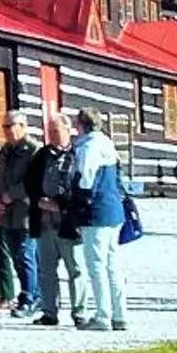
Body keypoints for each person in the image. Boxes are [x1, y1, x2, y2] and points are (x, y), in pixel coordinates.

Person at [70, 109, 130, 331]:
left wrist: (75, 204)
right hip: (113, 209)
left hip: (96, 212)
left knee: (96, 265)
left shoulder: (88, 147)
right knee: (113, 265)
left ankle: (103, 315)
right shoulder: (107, 142)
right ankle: (119, 314)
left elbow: (85, 181)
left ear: (82, 124)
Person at [32, 110, 90, 327]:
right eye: (50, 131)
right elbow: (31, 183)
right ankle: (49, 312)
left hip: (68, 222)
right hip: (44, 222)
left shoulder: (78, 155)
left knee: (76, 269)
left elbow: (81, 187)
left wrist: (61, 204)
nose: (53, 135)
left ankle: (79, 312)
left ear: (68, 130)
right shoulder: (42, 155)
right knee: (46, 270)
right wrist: (38, 200)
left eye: (56, 130)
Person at [0, 114, 45, 317]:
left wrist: (10, 195)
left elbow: (35, 180)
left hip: (26, 212)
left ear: (23, 126)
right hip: (7, 214)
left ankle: (30, 297)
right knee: (16, 255)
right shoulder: (5, 151)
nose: (7, 130)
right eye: (4, 126)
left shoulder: (33, 150)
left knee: (25, 254)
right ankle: (34, 294)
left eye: (10, 126)